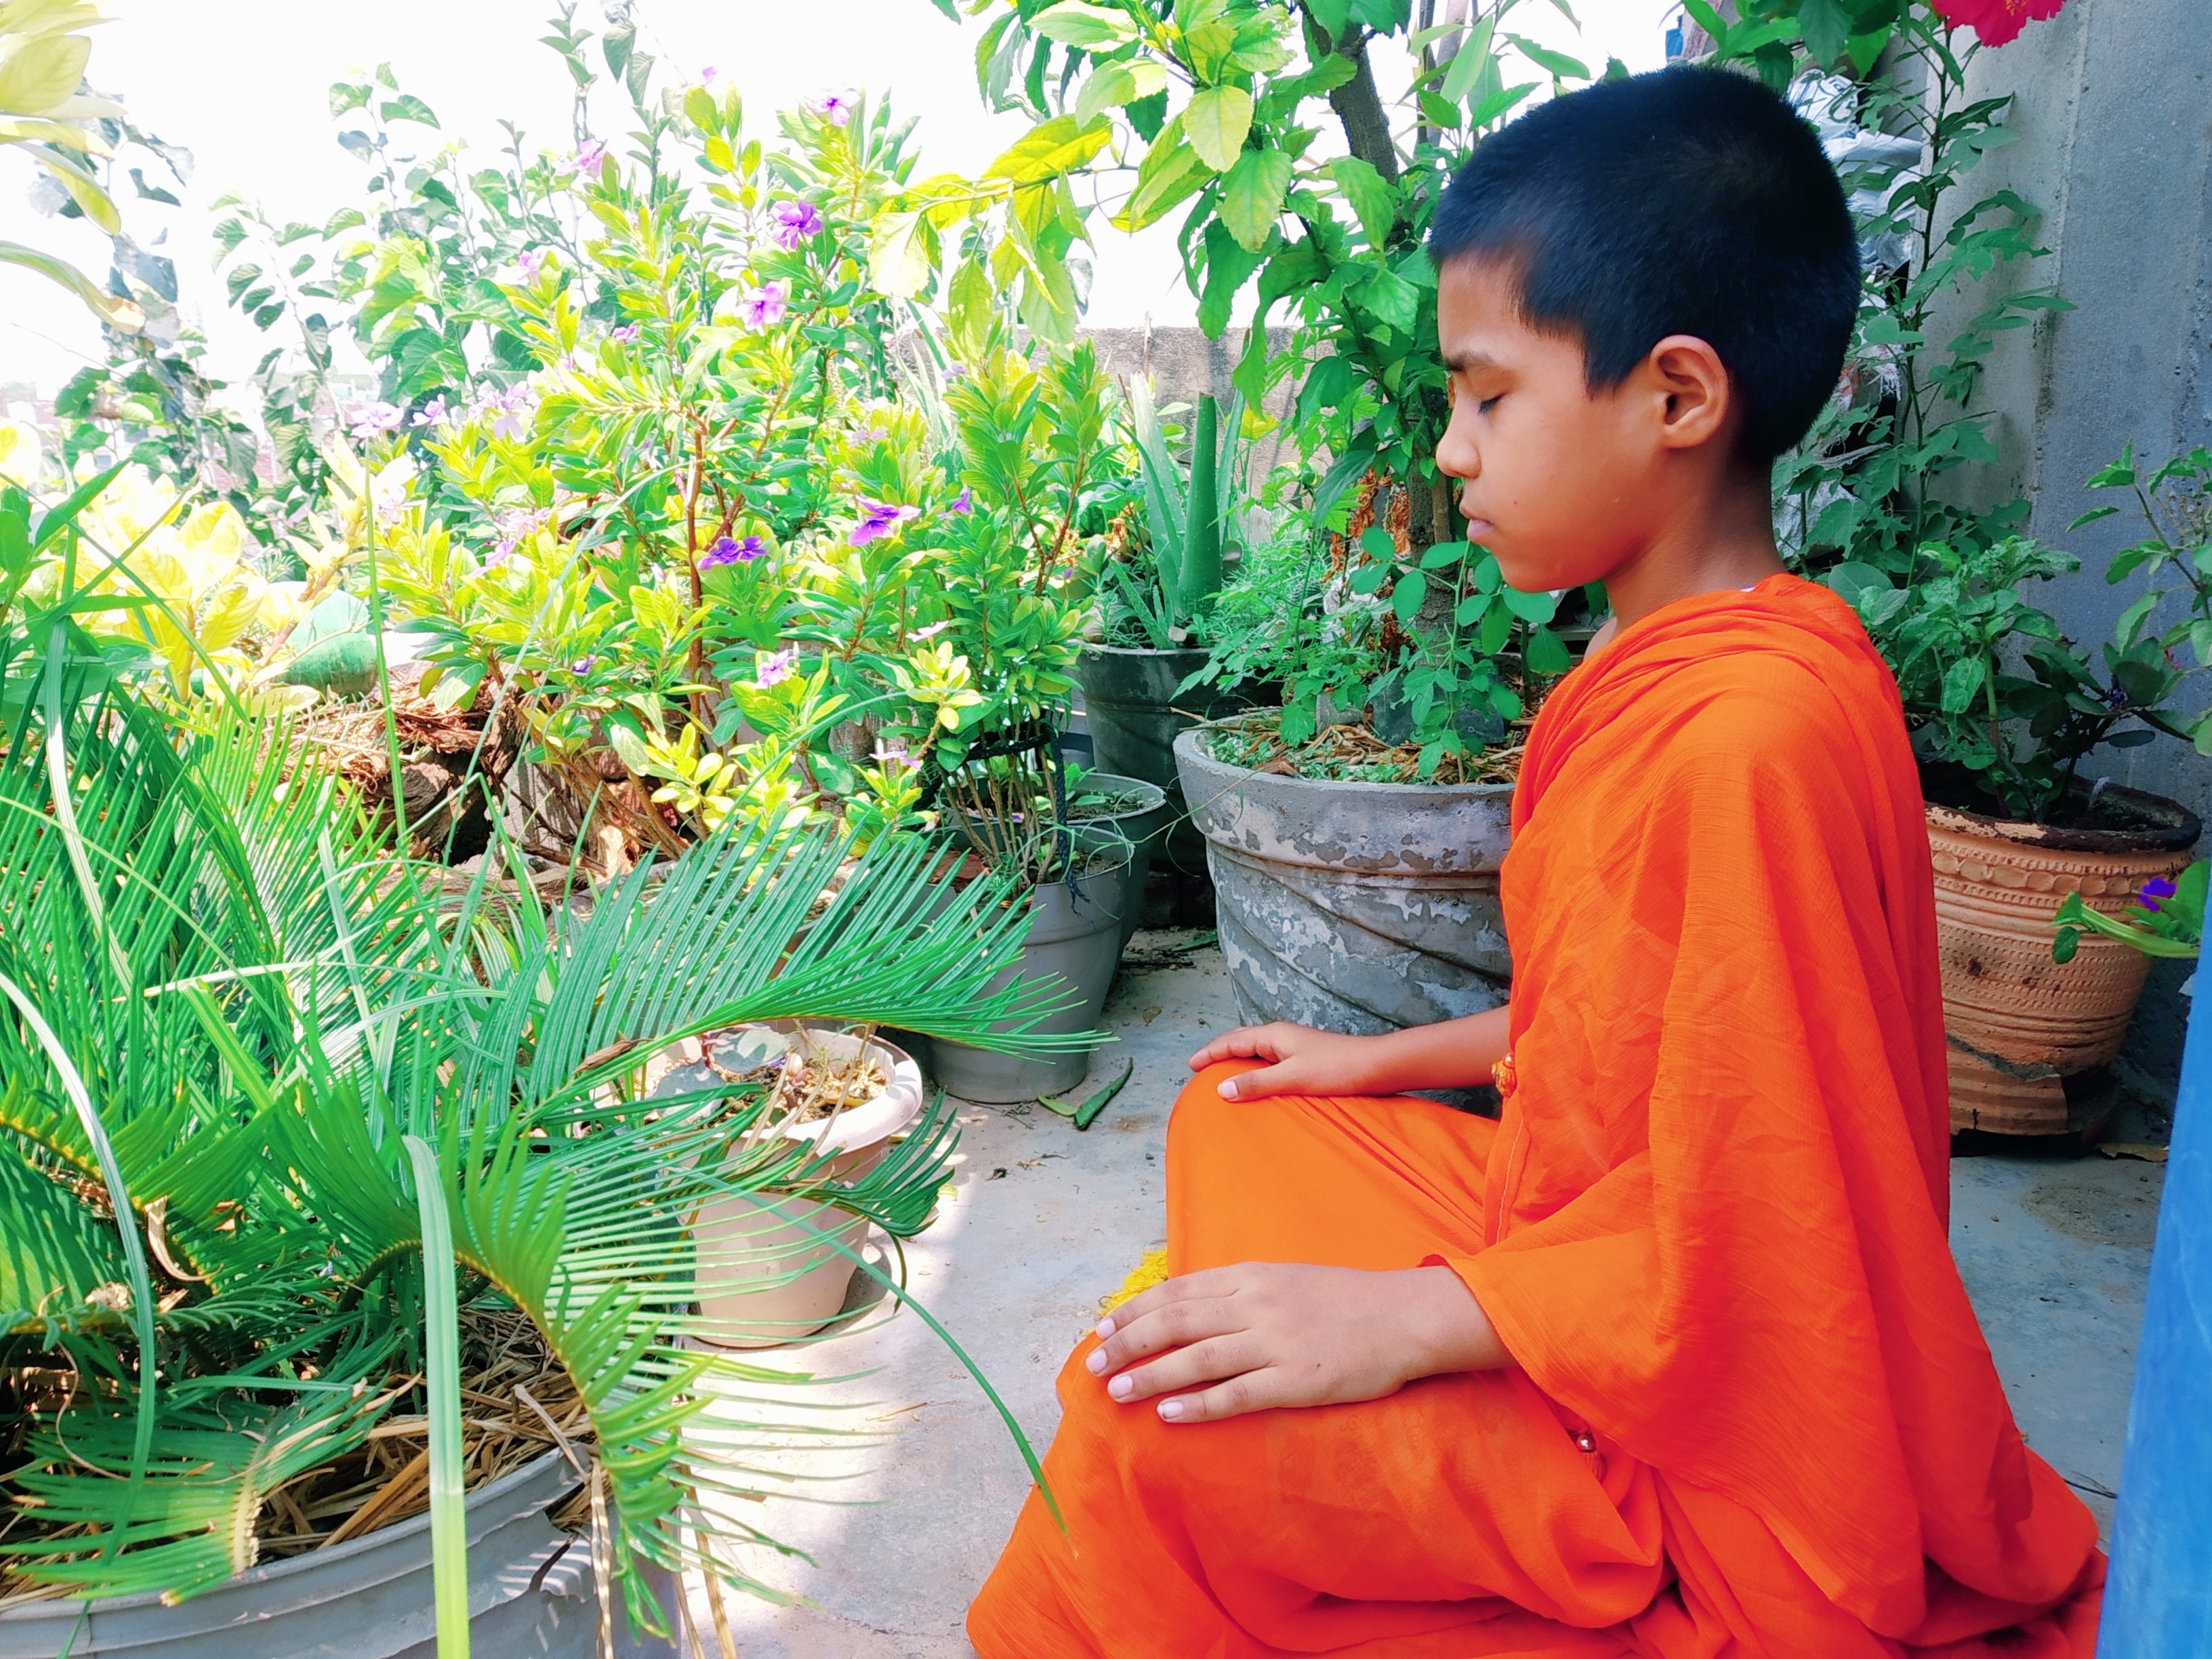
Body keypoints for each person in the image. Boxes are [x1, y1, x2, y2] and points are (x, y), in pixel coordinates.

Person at [967, 62, 2103, 1658]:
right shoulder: (1711, 658)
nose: (1451, 450)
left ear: (1680, 398)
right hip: (1595, 1244)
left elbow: (1759, 1217)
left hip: (1704, 1422)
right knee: (1244, 1110)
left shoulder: (1744, 739)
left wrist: (1410, 1322)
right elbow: (1643, 1032)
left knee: (1140, 1430)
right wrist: (1384, 1060)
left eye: (1489, 396)